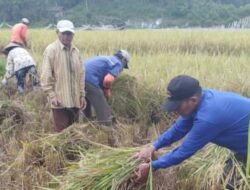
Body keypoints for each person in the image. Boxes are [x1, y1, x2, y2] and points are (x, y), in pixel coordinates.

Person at [134, 75, 250, 189]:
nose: (175, 111)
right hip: (243, 148)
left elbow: (184, 151)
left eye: (177, 107)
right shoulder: (201, 99)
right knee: (229, 181)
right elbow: (178, 129)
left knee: (233, 183)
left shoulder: (209, 117)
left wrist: (153, 166)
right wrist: (153, 147)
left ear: (193, 100)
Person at [41, 20, 86, 133]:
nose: (66, 36)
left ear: (73, 34)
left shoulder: (76, 51)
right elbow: (46, 75)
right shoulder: (51, 50)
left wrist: (82, 95)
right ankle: (60, 151)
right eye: (64, 33)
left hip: (75, 100)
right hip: (60, 101)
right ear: (58, 33)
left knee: (74, 133)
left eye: (69, 33)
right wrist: (52, 95)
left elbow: (81, 75)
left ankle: (72, 151)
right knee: (61, 134)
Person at [83, 50, 130, 126]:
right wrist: (106, 89)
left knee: (86, 102)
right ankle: (105, 128)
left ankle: (86, 124)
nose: (122, 69)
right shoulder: (118, 63)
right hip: (89, 79)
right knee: (102, 106)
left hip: (78, 78)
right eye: (124, 66)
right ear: (123, 60)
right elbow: (108, 80)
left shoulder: (105, 58)